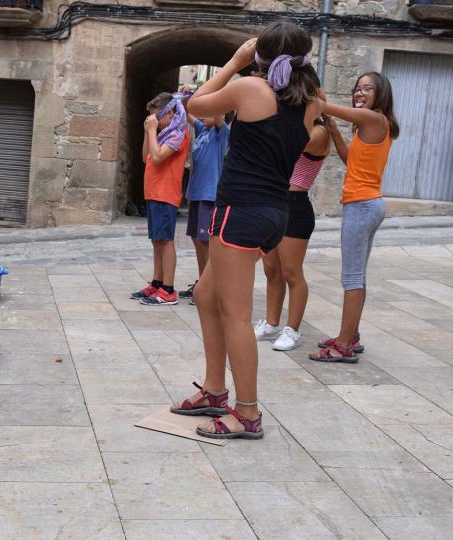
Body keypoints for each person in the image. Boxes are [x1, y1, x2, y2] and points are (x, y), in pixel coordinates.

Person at [170, 21, 321, 440]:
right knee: (204, 294)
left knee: (236, 314)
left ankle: (248, 413)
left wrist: (236, 60)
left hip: (240, 211)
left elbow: (196, 104)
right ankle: (215, 390)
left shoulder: (252, 88)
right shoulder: (310, 100)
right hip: (275, 211)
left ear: (261, 56)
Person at [309, 72, 399, 363]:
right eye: (357, 89)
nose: (359, 93)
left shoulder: (374, 119)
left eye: (367, 89)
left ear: (380, 93)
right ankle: (351, 335)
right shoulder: (370, 126)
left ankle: (344, 345)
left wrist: (305, 86)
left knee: (351, 278)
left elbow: (324, 106)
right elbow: (351, 161)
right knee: (356, 275)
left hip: (362, 206)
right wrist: (334, 130)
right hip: (366, 204)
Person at [255, 117, 330, 351]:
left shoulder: (319, 132)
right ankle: (271, 323)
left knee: (291, 272)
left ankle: (293, 330)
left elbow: (287, 143)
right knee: (271, 268)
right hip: (273, 201)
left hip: (296, 206)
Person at [131, 92, 190, 306]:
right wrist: (149, 133)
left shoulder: (178, 134)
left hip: (166, 194)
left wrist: (153, 130)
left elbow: (158, 156)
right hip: (154, 193)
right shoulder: (163, 133)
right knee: (157, 241)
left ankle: (168, 289)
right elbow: (147, 156)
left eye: (158, 116)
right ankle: (156, 283)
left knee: (166, 241)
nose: (155, 120)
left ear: (170, 113)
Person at [181, 102, 229, 302]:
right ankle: (203, 282)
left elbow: (218, 110)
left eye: (206, 113)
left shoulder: (221, 133)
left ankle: (209, 287)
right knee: (196, 239)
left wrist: (216, 97)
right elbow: (187, 110)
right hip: (196, 194)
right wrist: (187, 96)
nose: (201, 116)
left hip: (209, 195)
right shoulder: (202, 130)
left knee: (205, 242)